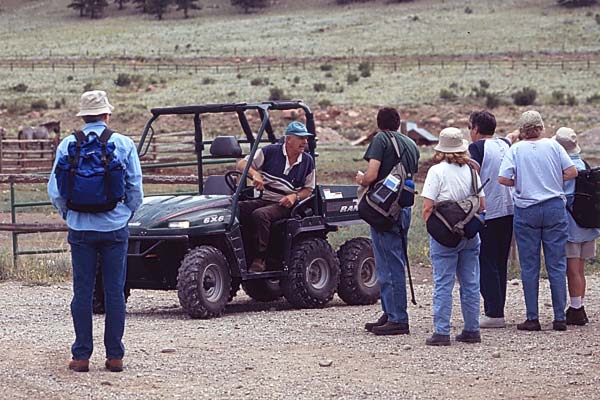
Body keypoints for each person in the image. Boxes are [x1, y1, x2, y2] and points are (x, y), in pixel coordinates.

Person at [48, 90, 143, 372]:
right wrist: (125, 214)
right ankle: (114, 356)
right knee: (114, 291)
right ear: (106, 114)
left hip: (80, 229)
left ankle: (81, 356)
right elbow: (135, 188)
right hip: (114, 228)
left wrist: (70, 214)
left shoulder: (67, 144)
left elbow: (55, 191)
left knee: (82, 291)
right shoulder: (123, 143)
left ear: (83, 115)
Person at [498, 111, 577, 332]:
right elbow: (572, 171)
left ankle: (532, 317)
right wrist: (552, 180)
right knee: (556, 264)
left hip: (527, 209)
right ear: (541, 127)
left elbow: (503, 178)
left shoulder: (516, 149)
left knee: (530, 265)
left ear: (522, 130)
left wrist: (522, 182)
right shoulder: (554, 146)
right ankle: (559, 317)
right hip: (553, 207)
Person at [356, 107, 419, 336]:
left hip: (384, 210)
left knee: (387, 264)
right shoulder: (411, 144)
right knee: (395, 259)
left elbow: (372, 175)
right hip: (403, 206)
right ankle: (389, 311)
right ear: (398, 122)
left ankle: (398, 318)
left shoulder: (381, 139)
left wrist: (361, 179)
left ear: (379, 123)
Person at [421, 127, 485, 346]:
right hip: (469, 233)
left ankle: (441, 332)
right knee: (470, 282)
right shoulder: (471, 171)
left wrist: (433, 227)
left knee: (443, 283)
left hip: (445, 236)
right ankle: (471, 329)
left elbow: (427, 207)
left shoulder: (436, 172)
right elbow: (482, 204)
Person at [236, 121, 315, 273]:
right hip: (265, 198)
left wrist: (294, 197)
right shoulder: (270, 151)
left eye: (305, 138)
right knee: (236, 208)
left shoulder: (307, 161)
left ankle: (260, 259)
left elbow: (309, 189)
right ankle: (243, 252)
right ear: (288, 139)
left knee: (260, 215)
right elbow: (242, 164)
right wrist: (255, 174)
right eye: (301, 138)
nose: (305, 142)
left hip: (286, 204)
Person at [468, 110, 514, 328]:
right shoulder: (504, 143)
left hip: (489, 210)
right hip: (510, 209)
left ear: (476, 129)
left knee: (486, 261)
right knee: (500, 261)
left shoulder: (476, 148)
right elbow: (512, 136)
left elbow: (472, 172)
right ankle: (498, 309)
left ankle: (494, 312)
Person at [553, 127, 600, 325]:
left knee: (572, 269)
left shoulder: (565, 169)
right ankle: (578, 305)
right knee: (580, 269)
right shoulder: (583, 164)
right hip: (588, 226)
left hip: (571, 225)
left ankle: (576, 310)